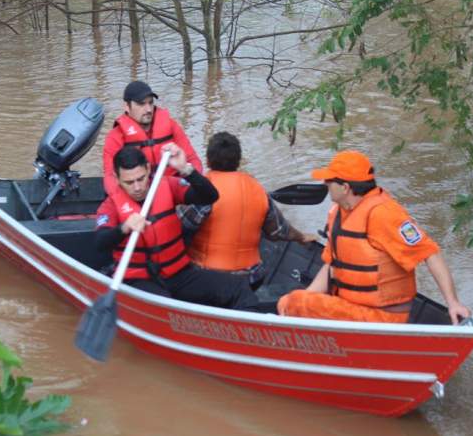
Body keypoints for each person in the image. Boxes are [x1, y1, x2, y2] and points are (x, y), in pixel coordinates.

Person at [277, 150, 471, 324]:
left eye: (329, 180)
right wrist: (307, 296)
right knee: (293, 301)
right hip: (351, 306)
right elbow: (332, 265)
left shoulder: (384, 214)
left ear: (345, 188)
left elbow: (430, 254)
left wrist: (453, 303)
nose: (325, 183)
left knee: (291, 302)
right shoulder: (339, 212)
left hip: (383, 317)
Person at [94, 143, 260, 311]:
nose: (137, 187)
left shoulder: (166, 185)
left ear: (148, 169)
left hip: (177, 274)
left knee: (237, 287)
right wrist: (124, 228)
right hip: (139, 280)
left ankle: (251, 333)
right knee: (168, 307)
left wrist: (186, 169)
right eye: (129, 182)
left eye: (141, 179)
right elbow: (100, 243)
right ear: (117, 178)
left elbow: (210, 196)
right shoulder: (110, 206)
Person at [182, 131, 318, 288]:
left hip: (209, 278)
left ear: (207, 160)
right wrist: (302, 237)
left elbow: (181, 226)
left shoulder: (203, 190)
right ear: (238, 161)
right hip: (251, 279)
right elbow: (278, 232)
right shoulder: (257, 189)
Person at [101, 80, 203, 196]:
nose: (148, 109)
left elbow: (193, 160)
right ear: (127, 106)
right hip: (139, 194)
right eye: (141, 104)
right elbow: (110, 176)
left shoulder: (171, 126)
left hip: (174, 190)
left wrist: (188, 182)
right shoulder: (115, 137)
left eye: (150, 103)